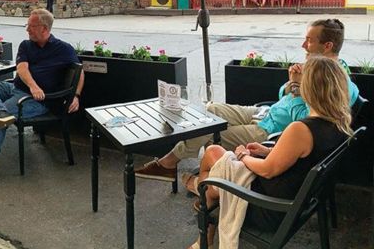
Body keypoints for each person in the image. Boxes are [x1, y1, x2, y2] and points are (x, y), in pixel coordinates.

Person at [169, 55, 352, 249]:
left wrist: (244, 156)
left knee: (210, 169)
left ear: (308, 88)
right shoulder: (339, 124)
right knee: (212, 161)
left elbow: (266, 171)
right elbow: (299, 158)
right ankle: (204, 227)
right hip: (296, 201)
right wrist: (267, 151)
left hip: (268, 208)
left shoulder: (301, 129)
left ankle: (204, 235)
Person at [136, 19, 360, 185]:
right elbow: (284, 97)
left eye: (309, 41)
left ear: (328, 46)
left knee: (209, 130)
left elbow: (309, 124)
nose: (303, 45)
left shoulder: (339, 83)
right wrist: (292, 84)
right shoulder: (316, 68)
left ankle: (170, 163)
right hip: (266, 112)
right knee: (211, 109)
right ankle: (196, 166)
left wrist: (299, 89)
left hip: (272, 132)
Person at [0, 8, 84, 183]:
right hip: (16, 88)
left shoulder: (63, 49)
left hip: (38, 100)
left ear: (44, 29)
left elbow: (79, 72)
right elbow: (22, 68)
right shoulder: (26, 44)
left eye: (31, 26)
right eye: (27, 25)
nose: (27, 29)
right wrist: (33, 85)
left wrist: (76, 95)